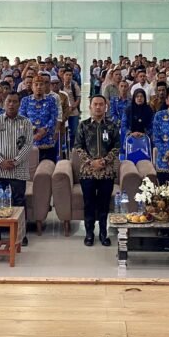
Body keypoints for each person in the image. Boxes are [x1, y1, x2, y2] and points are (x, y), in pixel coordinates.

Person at [0, 92, 33, 246]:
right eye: (9, 101)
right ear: (4, 103)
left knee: (19, 202)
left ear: (19, 104)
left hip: (18, 169)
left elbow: (28, 145)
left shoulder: (26, 123)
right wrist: (1, 161)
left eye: (15, 101)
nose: (11, 104)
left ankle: (20, 235)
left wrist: (15, 161)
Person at [74, 95, 120, 247]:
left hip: (107, 172)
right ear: (90, 107)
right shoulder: (83, 125)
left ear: (106, 107)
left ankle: (103, 233)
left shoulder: (112, 126)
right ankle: (89, 233)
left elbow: (116, 147)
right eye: (95, 104)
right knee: (89, 203)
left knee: (104, 204)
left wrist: (105, 161)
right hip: (88, 172)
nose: (98, 107)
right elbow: (78, 147)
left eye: (101, 104)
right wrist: (91, 162)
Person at [19, 75, 58, 163]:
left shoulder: (51, 100)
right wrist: (34, 130)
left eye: (41, 84)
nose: (39, 87)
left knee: (48, 167)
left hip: (47, 141)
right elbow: (22, 119)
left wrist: (45, 129)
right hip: (30, 141)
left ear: (45, 86)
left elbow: (53, 117)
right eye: (36, 84)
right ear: (32, 87)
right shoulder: (25, 100)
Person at [121, 89, 154, 153]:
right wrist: (131, 133)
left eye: (141, 96)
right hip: (130, 138)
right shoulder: (128, 110)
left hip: (146, 138)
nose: (139, 98)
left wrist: (144, 134)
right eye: (137, 96)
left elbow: (153, 126)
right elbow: (123, 125)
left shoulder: (149, 110)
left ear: (144, 98)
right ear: (134, 98)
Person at [61, 68, 82, 144]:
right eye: (66, 75)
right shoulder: (60, 86)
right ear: (63, 76)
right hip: (63, 113)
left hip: (73, 113)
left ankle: (73, 147)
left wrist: (72, 107)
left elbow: (78, 99)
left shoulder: (75, 85)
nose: (68, 77)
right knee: (63, 133)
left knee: (74, 132)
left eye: (70, 75)